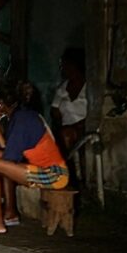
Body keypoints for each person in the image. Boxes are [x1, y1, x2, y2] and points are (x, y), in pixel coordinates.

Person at [0, 83, 68, 235]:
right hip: (45, 170)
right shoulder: (20, 116)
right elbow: (7, 148)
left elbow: (9, 156)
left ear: (0, 103)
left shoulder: (23, 118)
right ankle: (8, 214)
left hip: (54, 175)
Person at [50, 47, 87, 184]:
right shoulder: (62, 88)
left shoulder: (88, 87)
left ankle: (76, 178)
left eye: (65, 65)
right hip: (66, 131)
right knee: (63, 136)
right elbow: (54, 112)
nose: (62, 68)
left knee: (67, 135)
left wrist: (78, 126)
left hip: (84, 129)